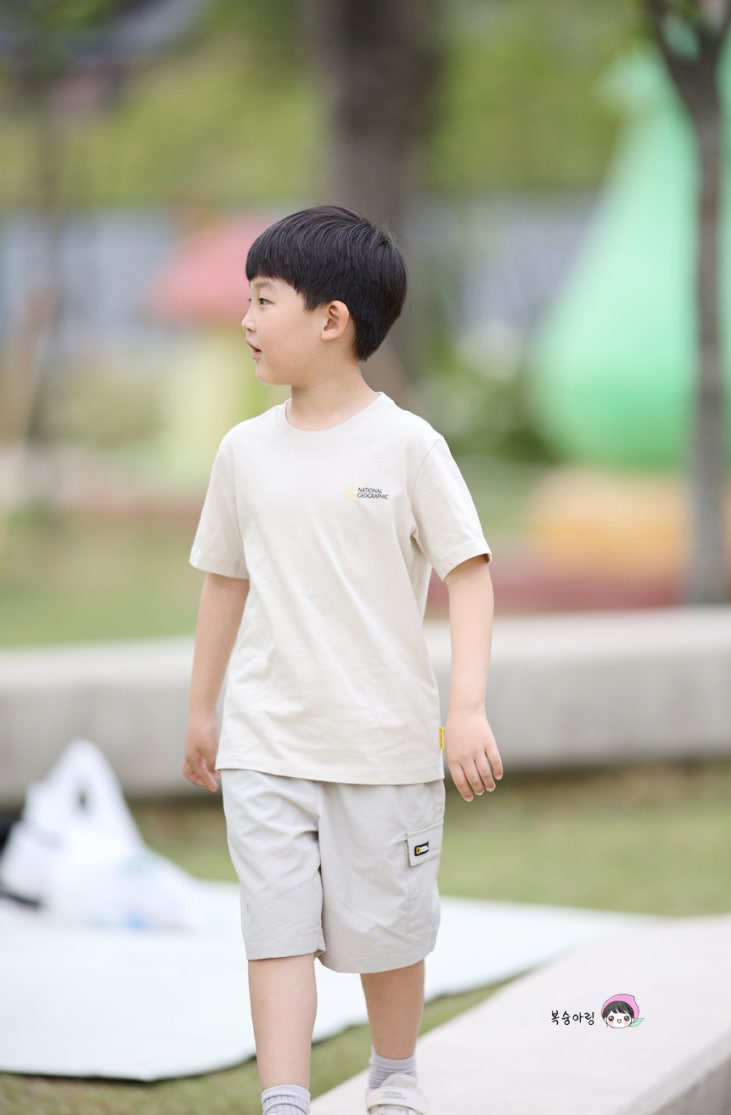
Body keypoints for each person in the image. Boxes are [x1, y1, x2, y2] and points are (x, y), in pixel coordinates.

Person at [183, 205, 503, 1115]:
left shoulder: (408, 446)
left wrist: (465, 709)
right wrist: (202, 708)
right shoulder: (243, 452)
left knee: (387, 932)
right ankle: (283, 1098)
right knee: (275, 928)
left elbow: (469, 575)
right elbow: (223, 582)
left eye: (263, 299)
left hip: (383, 746)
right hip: (266, 741)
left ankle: (393, 1077)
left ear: (331, 319)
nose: (245, 318)